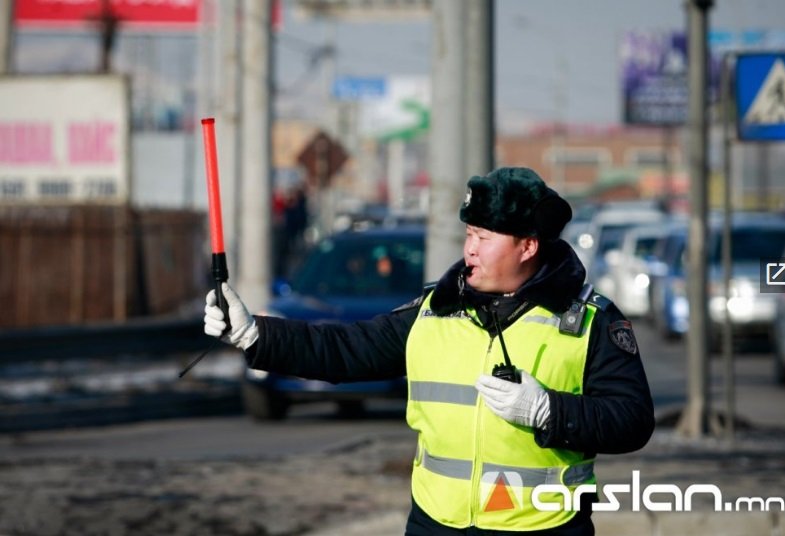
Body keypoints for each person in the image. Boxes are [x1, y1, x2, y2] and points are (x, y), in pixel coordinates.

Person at [204, 167, 655, 535]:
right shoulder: (433, 313)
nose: (469, 250)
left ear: (527, 246)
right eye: (469, 234)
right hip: (436, 526)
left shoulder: (591, 321)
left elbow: (632, 421)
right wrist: (254, 335)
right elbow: (342, 350)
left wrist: (547, 411)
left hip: (544, 528)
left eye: (484, 238)